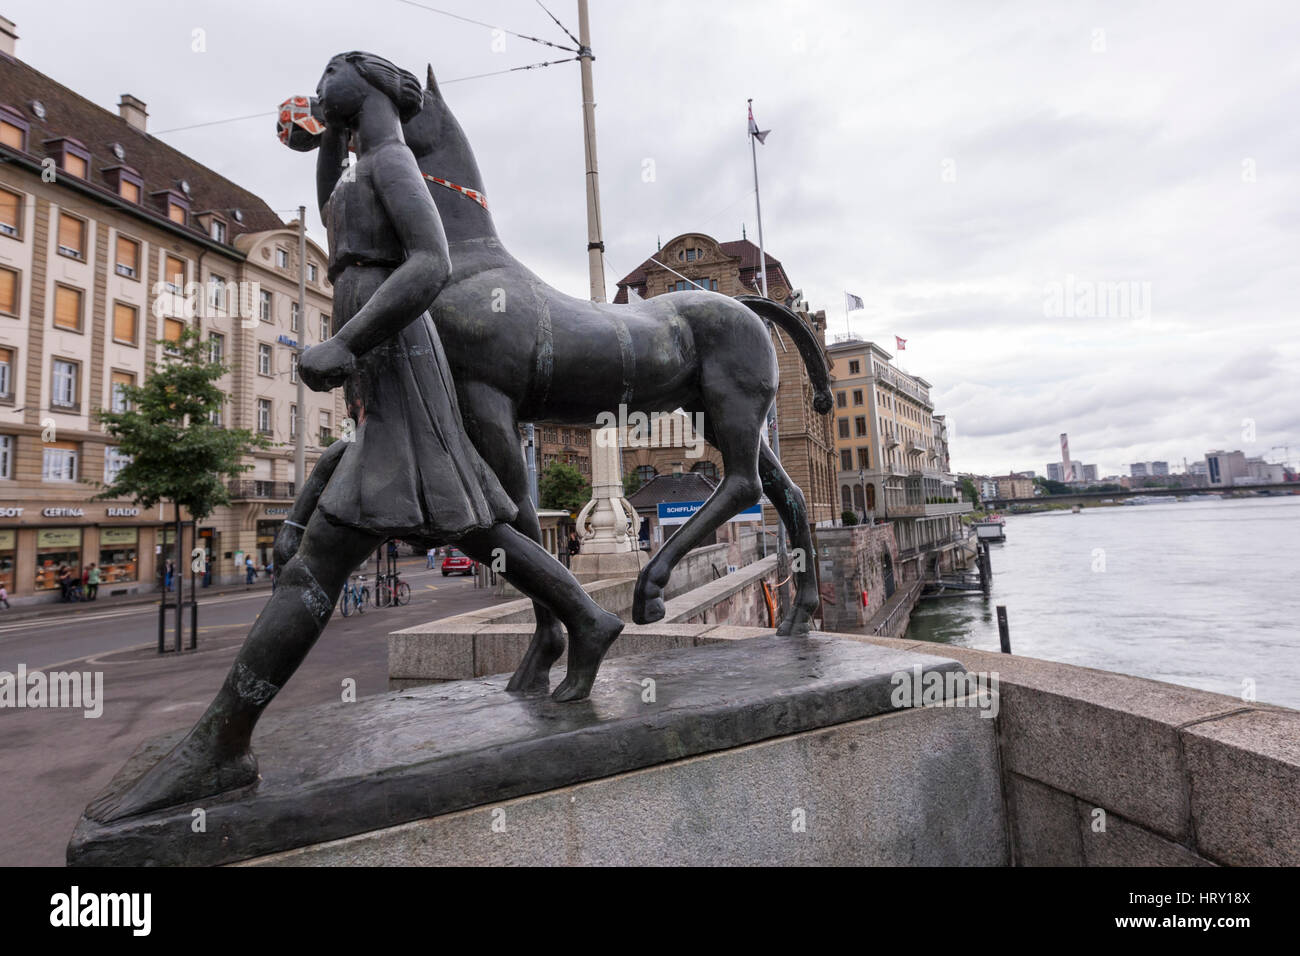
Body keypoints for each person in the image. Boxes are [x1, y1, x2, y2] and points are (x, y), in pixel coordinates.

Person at [89, 52, 622, 823]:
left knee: (324, 559)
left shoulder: (397, 161)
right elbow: (334, 208)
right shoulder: (358, 166)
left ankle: (222, 743)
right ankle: (584, 617)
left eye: (331, 72)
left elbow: (433, 263)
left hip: (394, 350)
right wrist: (326, 140)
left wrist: (345, 344)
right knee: (471, 521)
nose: (316, 83)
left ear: (367, 83)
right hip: (381, 358)